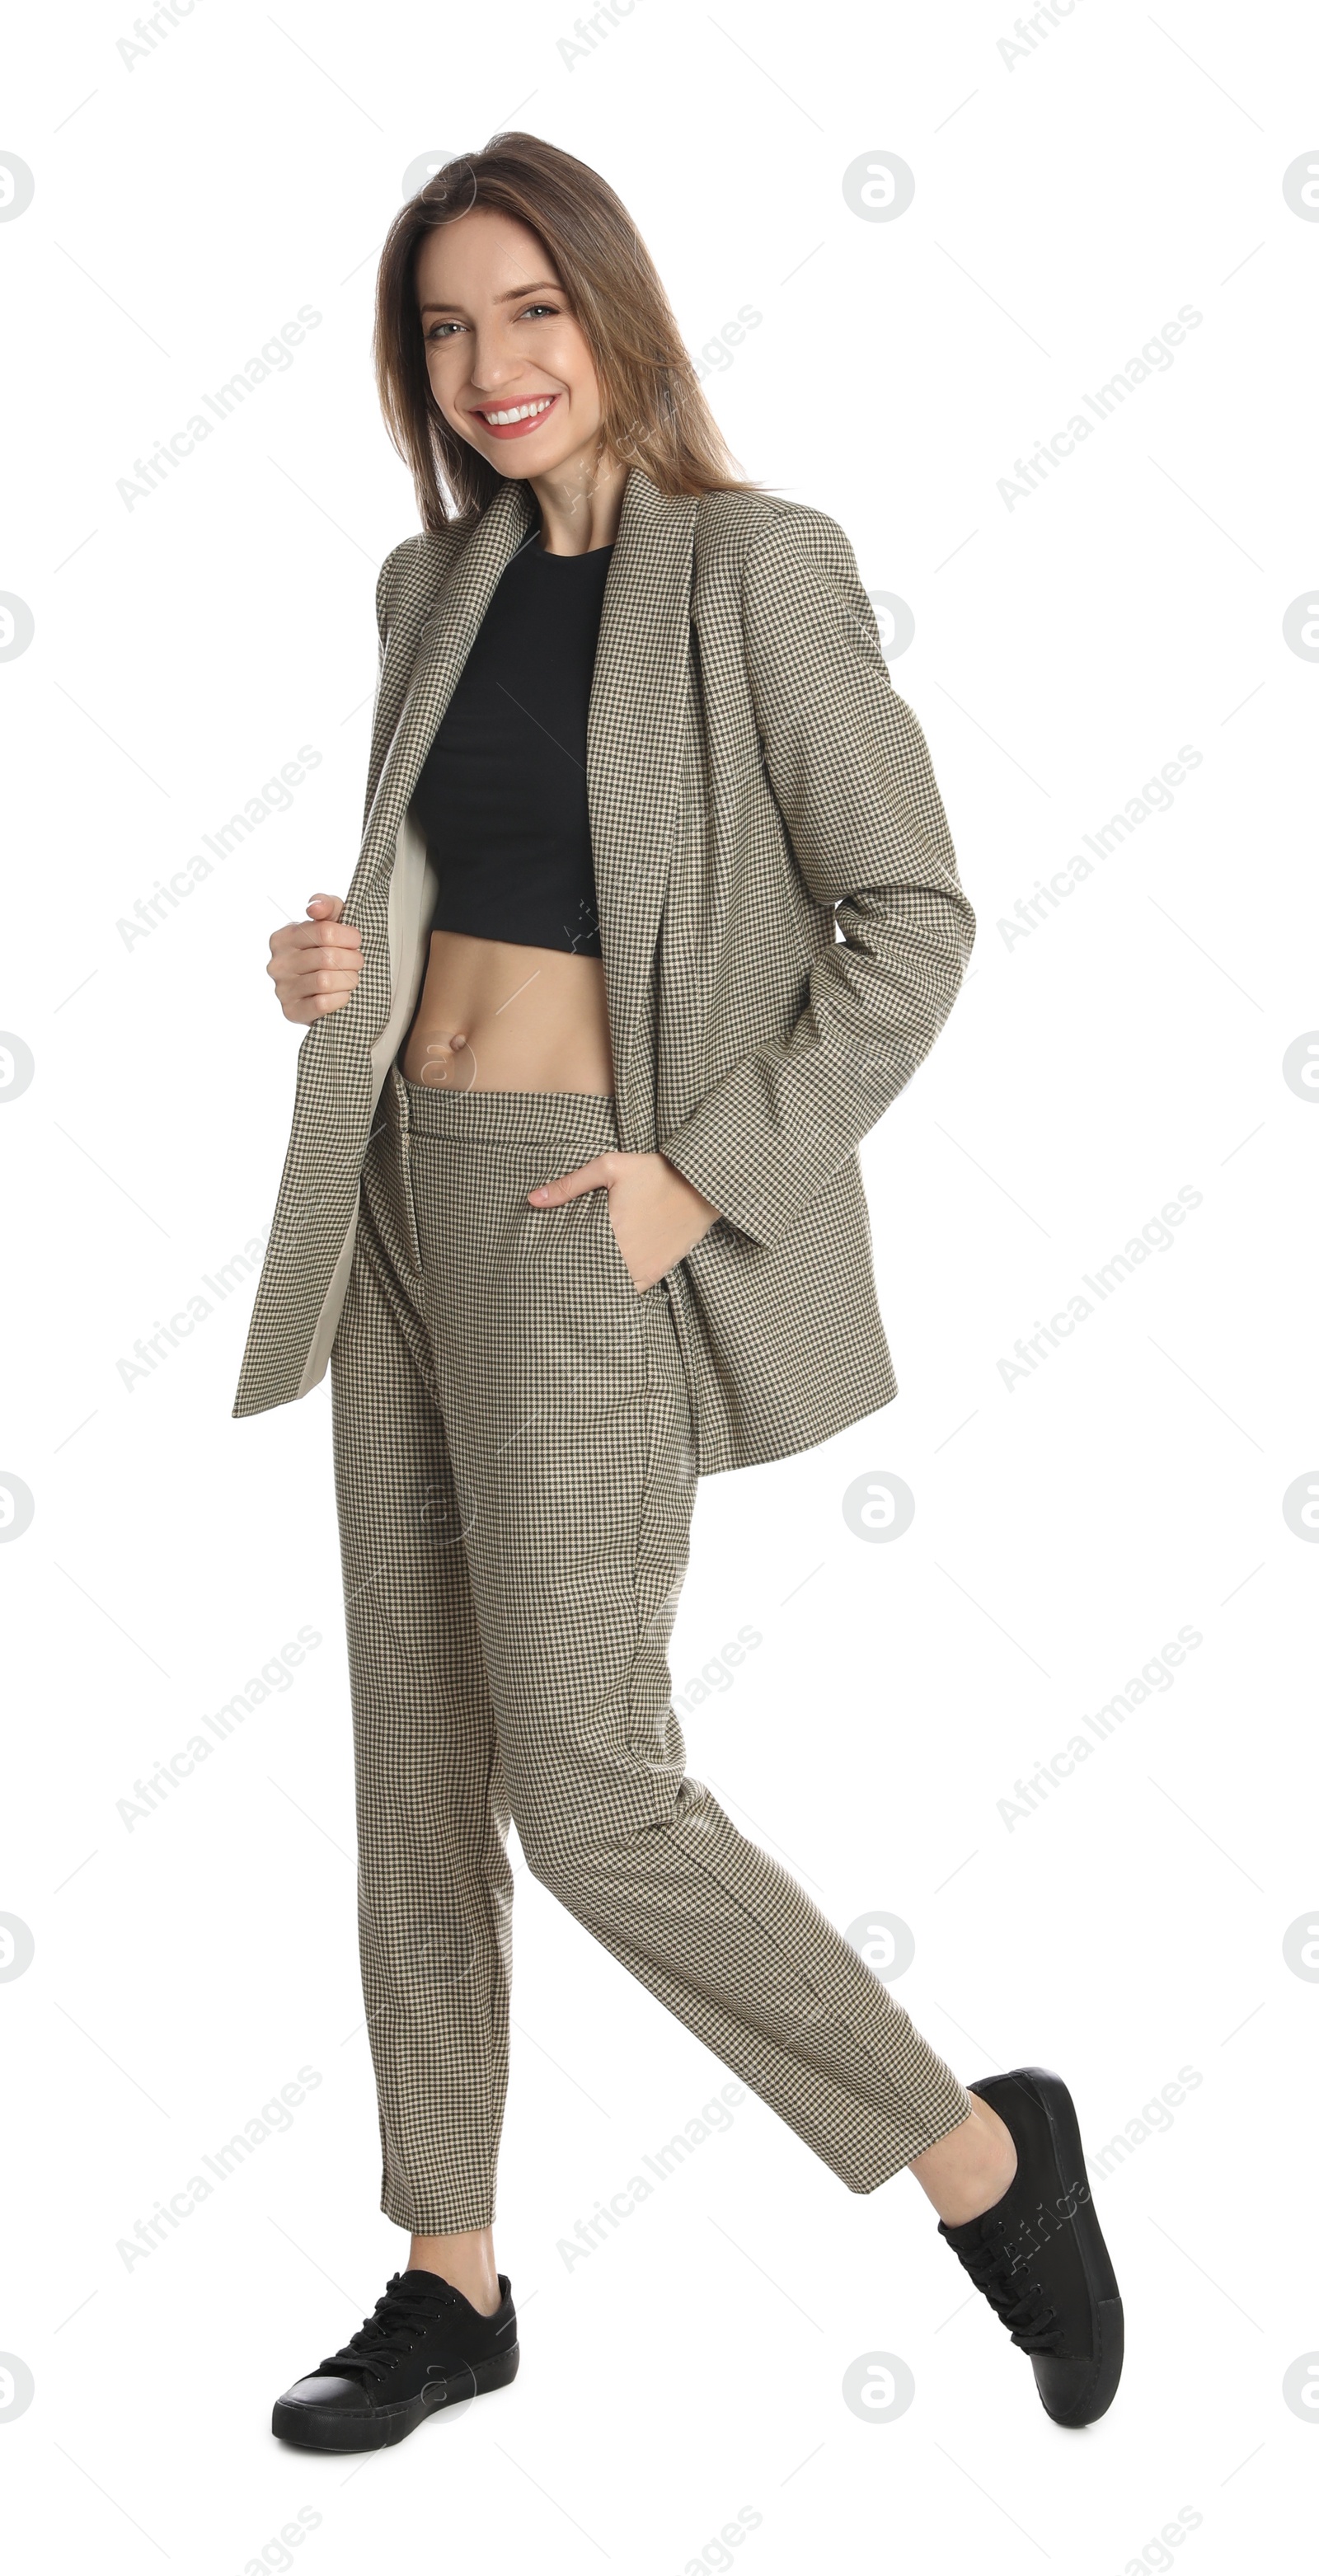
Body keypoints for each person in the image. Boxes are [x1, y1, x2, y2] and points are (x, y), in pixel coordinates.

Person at [233, 132, 1122, 2454]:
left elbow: (907, 918)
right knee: (415, 1765)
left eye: (529, 311)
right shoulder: (428, 593)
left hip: (585, 1217)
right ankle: (450, 2275)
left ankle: (982, 2157)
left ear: (611, 315)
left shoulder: (757, 571)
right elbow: (459, 895)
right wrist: (344, 965)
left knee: (595, 1791)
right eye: (445, 328)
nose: (489, 366)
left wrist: (689, 1183)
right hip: (396, 1200)